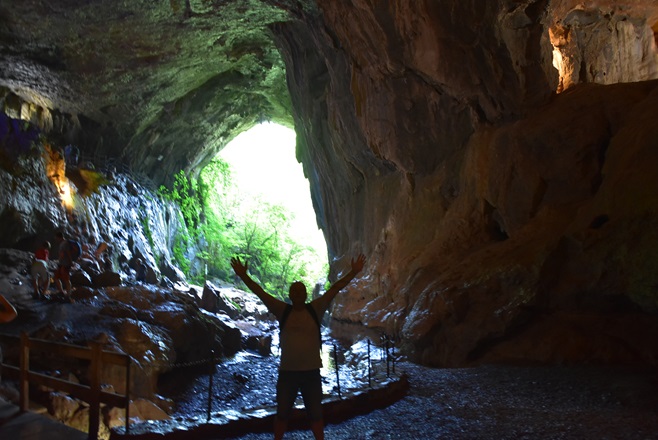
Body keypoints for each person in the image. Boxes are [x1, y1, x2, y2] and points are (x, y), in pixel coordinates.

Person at [231, 253, 366, 440]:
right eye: (294, 291)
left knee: (316, 414)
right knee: (282, 413)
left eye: (300, 291)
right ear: (290, 295)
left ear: (305, 294)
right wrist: (244, 276)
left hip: (311, 373)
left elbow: (335, 288)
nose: (298, 294)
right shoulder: (282, 310)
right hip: (288, 373)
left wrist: (354, 271)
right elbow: (260, 293)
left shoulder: (316, 308)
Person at [53, 231, 73, 298]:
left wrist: (70, 261)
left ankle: (68, 294)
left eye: (56, 238)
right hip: (63, 264)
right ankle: (62, 292)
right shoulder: (66, 243)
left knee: (66, 279)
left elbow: (64, 253)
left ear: (59, 237)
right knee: (56, 277)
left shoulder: (64, 244)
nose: (56, 240)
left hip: (65, 264)